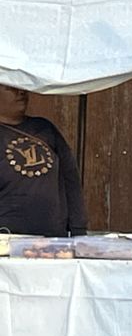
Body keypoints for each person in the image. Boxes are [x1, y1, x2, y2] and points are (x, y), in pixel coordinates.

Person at [0, 85, 86, 238]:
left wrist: (78, 230)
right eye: (11, 88)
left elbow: (70, 178)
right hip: (7, 239)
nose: (21, 92)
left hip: (52, 238)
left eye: (22, 86)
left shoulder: (44, 128)